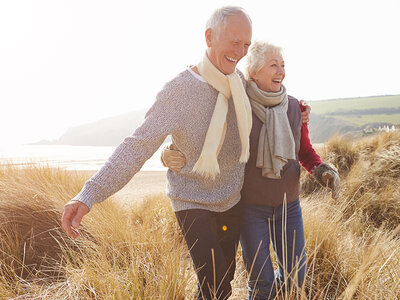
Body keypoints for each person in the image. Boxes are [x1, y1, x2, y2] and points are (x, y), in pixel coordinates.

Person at [61, 6, 253, 300]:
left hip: (232, 198)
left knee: (222, 283)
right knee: (216, 284)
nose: (240, 51)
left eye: (246, 45)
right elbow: (137, 145)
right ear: (209, 37)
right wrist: (89, 194)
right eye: (234, 41)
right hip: (192, 198)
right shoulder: (178, 91)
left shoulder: (239, 82)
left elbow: (270, 103)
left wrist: (298, 112)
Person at [161, 41, 340, 299]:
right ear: (253, 72)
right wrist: (168, 153)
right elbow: (203, 138)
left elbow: (305, 152)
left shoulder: (294, 108)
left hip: (289, 207)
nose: (281, 71)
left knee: (295, 277)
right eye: (273, 65)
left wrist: (322, 170)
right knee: (261, 282)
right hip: (250, 210)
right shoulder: (237, 107)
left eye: (283, 65)